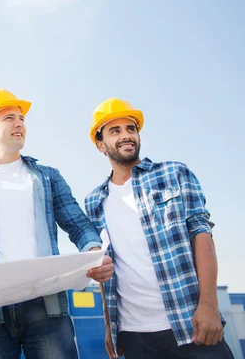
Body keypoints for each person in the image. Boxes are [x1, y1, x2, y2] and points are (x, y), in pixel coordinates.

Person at [0, 89, 114, 359]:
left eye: (21, 118)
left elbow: (77, 223)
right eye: (9, 117)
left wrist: (93, 251)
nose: (20, 123)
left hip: (46, 305)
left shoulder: (47, 177)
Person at [85, 98, 234, 359]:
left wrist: (209, 305)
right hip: (134, 336)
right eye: (115, 131)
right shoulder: (94, 201)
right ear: (101, 145)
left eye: (131, 128)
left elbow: (202, 235)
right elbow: (105, 266)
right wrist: (110, 326)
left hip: (191, 323)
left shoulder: (174, 173)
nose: (126, 136)